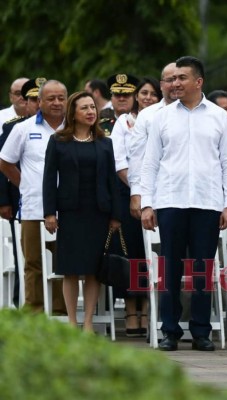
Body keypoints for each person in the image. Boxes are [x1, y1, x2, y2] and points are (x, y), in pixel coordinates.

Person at [140, 56, 227, 352]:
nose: (175, 83)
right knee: (170, 268)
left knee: (202, 270)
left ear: (199, 82)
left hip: (208, 202)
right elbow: (150, 163)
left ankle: (200, 331)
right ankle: (170, 331)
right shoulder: (162, 117)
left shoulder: (219, 116)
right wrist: (147, 203)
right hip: (171, 200)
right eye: (173, 78)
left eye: (182, 78)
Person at [42, 91, 121, 332]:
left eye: (92, 107)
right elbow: (48, 179)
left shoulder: (104, 143)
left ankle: (87, 323)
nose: (90, 112)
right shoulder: (58, 141)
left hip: (98, 212)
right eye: (84, 108)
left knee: (93, 270)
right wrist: (49, 213)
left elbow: (112, 181)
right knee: (70, 269)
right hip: (70, 213)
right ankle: (72, 323)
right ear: (73, 114)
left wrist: (116, 215)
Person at [0, 80, 68, 313]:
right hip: (33, 207)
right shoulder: (24, 128)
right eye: (51, 98)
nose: (57, 103)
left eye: (61, 98)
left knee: (64, 263)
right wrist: (25, 185)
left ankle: (61, 313)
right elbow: (5, 162)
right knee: (33, 262)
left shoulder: (74, 129)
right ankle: (34, 313)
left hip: (68, 209)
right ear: (39, 101)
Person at [111, 77, 162, 337]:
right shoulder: (124, 122)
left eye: (153, 93)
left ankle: (153, 312)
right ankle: (132, 311)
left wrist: (149, 193)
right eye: (144, 93)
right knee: (133, 256)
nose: (148, 97)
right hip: (129, 196)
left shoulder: (162, 117)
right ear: (136, 96)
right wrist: (138, 192)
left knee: (153, 256)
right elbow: (120, 162)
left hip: (159, 196)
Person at [0, 77, 45, 308]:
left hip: (59, 203)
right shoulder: (13, 127)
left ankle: (57, 309)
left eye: (41, 98)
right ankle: (28, 305)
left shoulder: (64, 126)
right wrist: (6, 199)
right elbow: (4, 165)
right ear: (25, 102)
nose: (38, 103)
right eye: (33, 99)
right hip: (23, 200)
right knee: (29, 258)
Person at [128, 62, 179, 220]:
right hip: (159, 196)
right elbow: (137, 157)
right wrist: (136, 193)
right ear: (162, 85)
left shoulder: (202, 113)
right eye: (170, 80)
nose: (175, 84)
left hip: (196, 197)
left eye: (179, 78)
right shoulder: (147, 115)